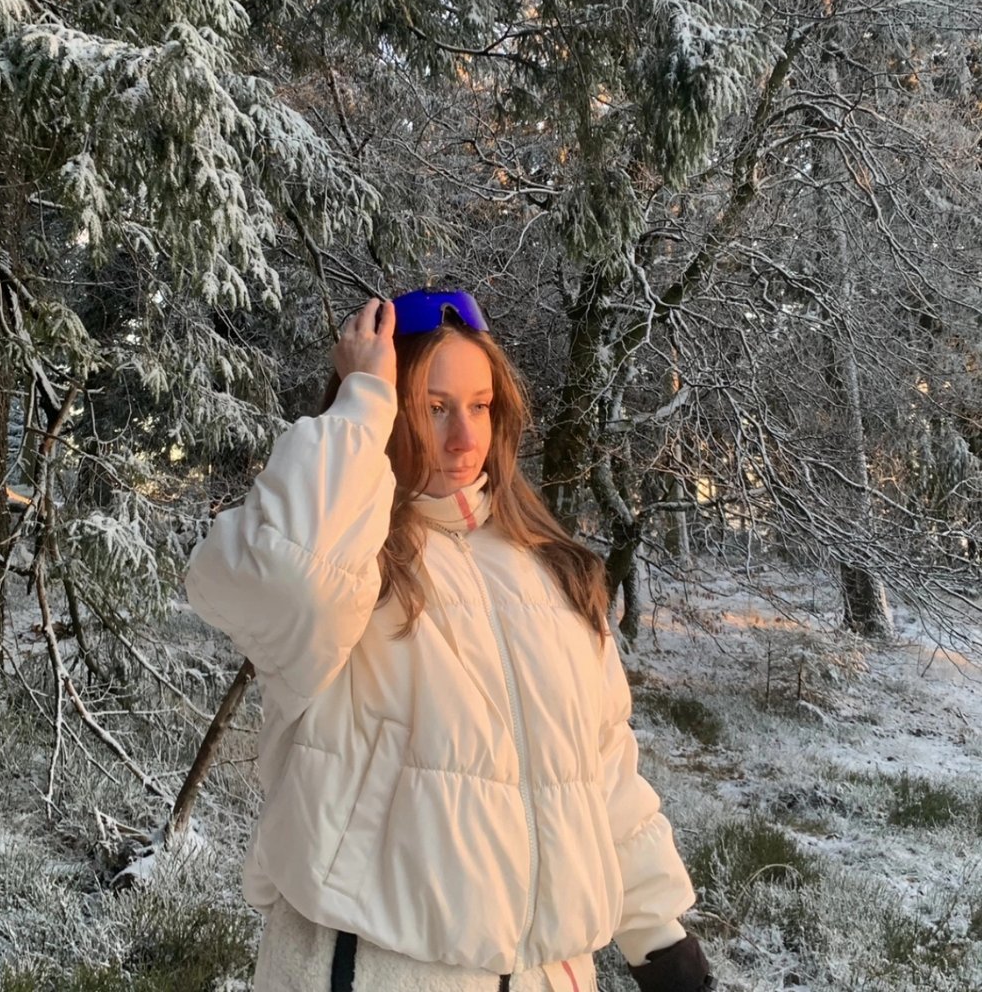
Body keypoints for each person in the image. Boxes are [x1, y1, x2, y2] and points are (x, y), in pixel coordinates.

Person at [186, 290, 714, 992]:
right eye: (434, 408)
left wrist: (660, 939)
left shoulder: (554, 571)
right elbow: (278, 575)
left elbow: (600, 770)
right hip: (373, 970)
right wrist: (362, 399)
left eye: (479, 405)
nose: (465, 438)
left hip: (548, 975)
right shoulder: (352, 569)